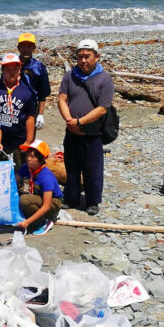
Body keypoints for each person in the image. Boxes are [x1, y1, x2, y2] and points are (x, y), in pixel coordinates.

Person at [58, 39, 114, 216]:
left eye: (87, 56)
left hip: (92, 132)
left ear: (96, 57)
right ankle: (71, 198)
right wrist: (68, 119)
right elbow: (62, 98)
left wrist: (80, 122)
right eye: (80, 56)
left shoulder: (104, 79)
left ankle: (92, 201)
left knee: (93, 169)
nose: (83, 60)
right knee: (71, 167)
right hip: (72, 131)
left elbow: (102, 108)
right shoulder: (70, 76)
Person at [0, 53, 36, 167]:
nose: (11, 72)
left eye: (14, 68)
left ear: (20, 69)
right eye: (8, 69)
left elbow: (30, 117)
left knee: (17, 171)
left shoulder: (26, 92)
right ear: (2, 70)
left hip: (18, 141)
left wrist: (28, 141)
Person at [15, 140, 62, 235]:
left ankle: (43, 222)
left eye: (33, 157)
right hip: (36, 195)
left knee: (24, 200)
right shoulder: (26, 168)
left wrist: (27, 222)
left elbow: (46, 206)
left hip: (52, 202)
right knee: (18, 194)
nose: (28, 158)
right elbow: (13, 184)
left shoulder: (46, 176)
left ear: (41, 159)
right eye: (28, 155)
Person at [17, 33, 50, 131]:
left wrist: (40, 114)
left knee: (29, 136)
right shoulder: (12, 64)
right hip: (13, 104)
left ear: (34, 48)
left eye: (29, 46)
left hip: (31, 106)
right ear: (18, 48)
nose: (26, 49)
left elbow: (42, 93)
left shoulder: (39, 67)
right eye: (23, 46)